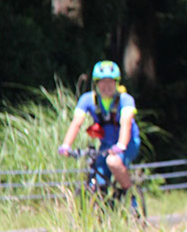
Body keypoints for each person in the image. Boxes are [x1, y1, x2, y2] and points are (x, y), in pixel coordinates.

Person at [58, 60, 142, 209]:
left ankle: (130, 196)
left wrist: (121, 145)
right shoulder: (87, 99)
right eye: (102, 82)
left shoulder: (125, 100)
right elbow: (77, 123)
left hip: (128, 143)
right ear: (96, 84)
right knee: (97, 174)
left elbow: (126, 123)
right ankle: (101, 213)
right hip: (106, 144)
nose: (106, 86)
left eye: (111, 82)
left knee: (113, 162)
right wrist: (66, 145)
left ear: (117, 83)